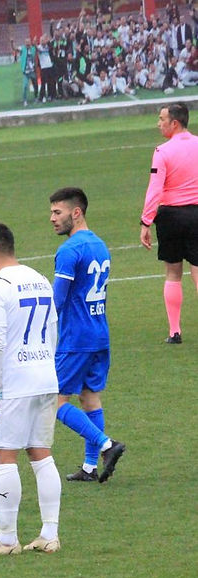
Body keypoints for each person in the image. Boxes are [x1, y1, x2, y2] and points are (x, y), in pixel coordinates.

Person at [0, 223, 62, 556]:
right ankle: (49, 534)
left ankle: (7, 539)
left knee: (4, 455)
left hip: (13, 383)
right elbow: (52, 328)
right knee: (41, 454)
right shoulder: (39, 278)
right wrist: (47, 368)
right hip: (44, 378)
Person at [49, 188, 126, 483]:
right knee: (90, 398)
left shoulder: (69, 250)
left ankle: (107, 445)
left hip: (76, 338)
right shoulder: (100, 245)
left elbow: (57, 300)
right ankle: (90, 467)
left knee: (54, 401)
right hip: (99, 333)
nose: (52, 219)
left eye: (58, 212)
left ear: (76, 212)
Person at [140, 102, 198, 343]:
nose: (159, 123)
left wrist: (146, 221)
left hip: (171, 217)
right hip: (196, 214)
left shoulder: (162, 151)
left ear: (175, 123)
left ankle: (175, 332)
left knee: (173, 273)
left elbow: (155, 188)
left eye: (162, 119)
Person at [19, 37, 38, 106]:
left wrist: (35, 42)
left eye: (28, 42)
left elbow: (37, 49)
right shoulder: (22, 49)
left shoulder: (33, 49)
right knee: (25, 86)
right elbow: (15, 49)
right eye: (26, 42)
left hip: (32, 71)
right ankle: (24, 100)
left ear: (30, 42)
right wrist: (12, 43)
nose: (27, 43)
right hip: (26, 72)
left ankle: (36, 97)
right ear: (24, 43)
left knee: (35, 85)